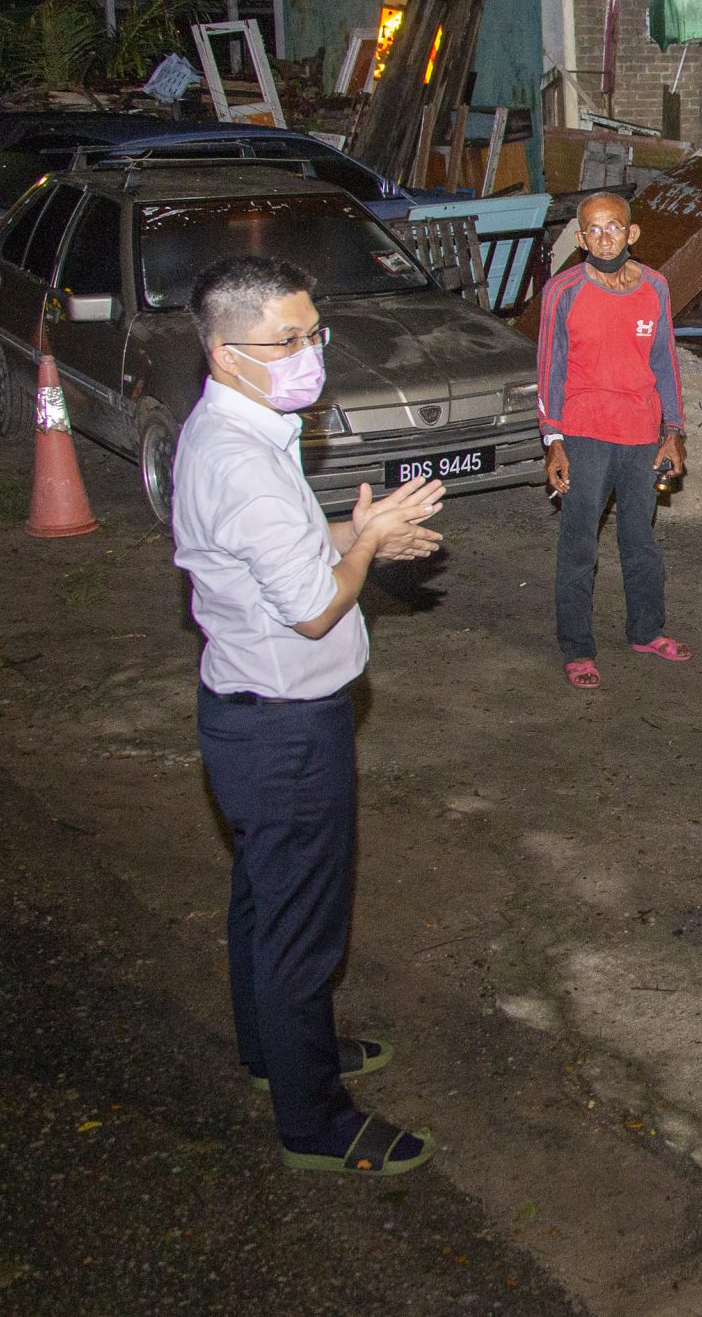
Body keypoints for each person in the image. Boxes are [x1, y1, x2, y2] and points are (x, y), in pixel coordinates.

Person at [170, 254, 446, 1176]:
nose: (308, 353)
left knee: (262, 899)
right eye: (285, 340)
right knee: (301, 926)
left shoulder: (243, 428)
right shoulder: (240, 457)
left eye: (314, 332)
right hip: (285, 728)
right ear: (223, 353)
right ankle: (316, 1119)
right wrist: (365, 543)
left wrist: (351, 535)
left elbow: (276, 551)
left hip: (246, 714)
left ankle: (277, 1053)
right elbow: (319, 607)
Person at [536, 193, 690, 689]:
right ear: (580, 239)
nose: (605, 239)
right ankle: (578, 649)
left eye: (614, 228)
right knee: (579, 544)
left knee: (640, 540)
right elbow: (549, 369)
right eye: (594, 231)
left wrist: (673, 433)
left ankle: (647, 630)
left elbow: (665, 362)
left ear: (633, 233)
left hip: (642, 433)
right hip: (583, 434)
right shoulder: (563, 291)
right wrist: (553, 440)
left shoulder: (656, 288)